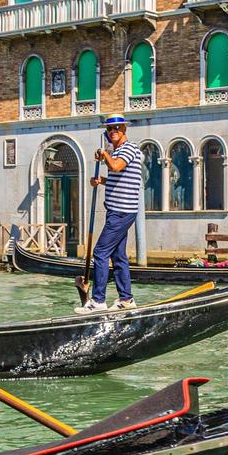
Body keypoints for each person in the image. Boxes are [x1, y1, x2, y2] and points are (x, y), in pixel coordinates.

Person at [79, 114, 144, 313]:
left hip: (122, 212)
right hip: (117, 211)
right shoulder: (118, 151)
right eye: (110, 129)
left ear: (124, 128)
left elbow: (115, 166)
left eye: (117, 127)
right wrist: (101, 181)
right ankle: (126, 299)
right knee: (118, 256)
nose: (113, 131)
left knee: (100, 253)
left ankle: (98, 301)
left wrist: (104, 154)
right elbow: (120, 178)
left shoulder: (129, 148)